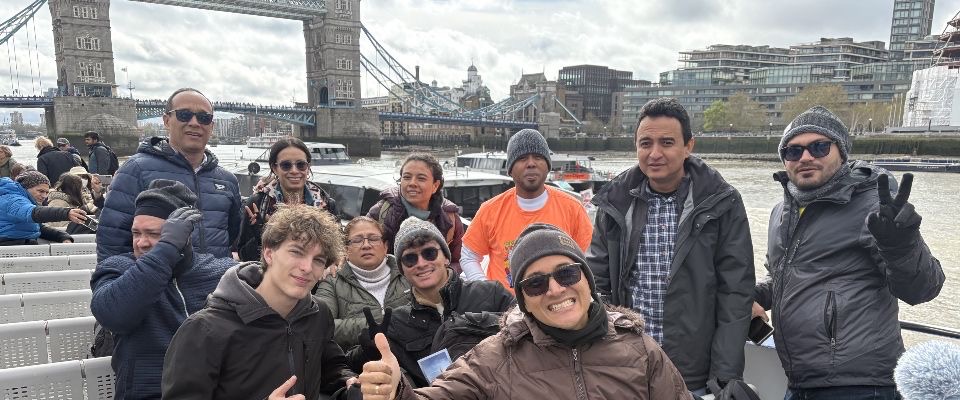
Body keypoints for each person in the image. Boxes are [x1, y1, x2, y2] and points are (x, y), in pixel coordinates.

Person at [358, 223, 692, 400]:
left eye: (567, 273)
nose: (555, 289)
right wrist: (395, 390)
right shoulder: (495, 356)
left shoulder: (640, 349)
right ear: (523, 299)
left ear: (587, 279)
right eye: (535, 284)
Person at [753, 106, 944, 399]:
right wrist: (751, 296)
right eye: (793, 151)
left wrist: (901, 243)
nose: (805, 157)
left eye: (819, 147)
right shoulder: (783, 211)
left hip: (860, 384)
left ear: (841, 152)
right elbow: (782, 278)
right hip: (799, 380)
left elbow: (922, 290)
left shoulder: (872, 205)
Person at [586, 98, 755, 394]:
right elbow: (597, 283)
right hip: (628, 364)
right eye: (645, 143)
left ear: (689, 145)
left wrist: (725, 374)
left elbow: (735, 292)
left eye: (666, 142)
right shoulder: (614, 202)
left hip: (693, 369)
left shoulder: (722, 202)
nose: (655, 154)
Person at [162, 205, 358, 399]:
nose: (307, 267)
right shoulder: (204, 329)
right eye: (297, 252)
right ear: (268, 253)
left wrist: (353, 384)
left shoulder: (318, 314)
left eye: (318, 260)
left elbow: (331, 367)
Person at [90, 180, 235, 399]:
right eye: (136, 233)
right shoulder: (117, 268)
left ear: (186, 235)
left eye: (155, 234)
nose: (141, 243)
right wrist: (167, 249)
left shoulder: (219, 271)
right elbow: (113, 315)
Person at [355, 217, 515, 388]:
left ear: (446, 257)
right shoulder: (396, 321)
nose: (421, 263)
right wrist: (369, 347)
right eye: (410, 259)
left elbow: (527, 330)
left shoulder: (492, 293)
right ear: (402, 271)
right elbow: (353, 366)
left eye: (429, 253)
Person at [97, 88, 241, 262]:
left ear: (212, 125)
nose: (195, 122)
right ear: (166, 121)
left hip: (216, 284)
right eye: (184, 115)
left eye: (204, 117)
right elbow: (112, 241)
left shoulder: (227, 180)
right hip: (160, 284)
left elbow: (232, 235)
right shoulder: (136, 170)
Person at [460, 128, 593, 289]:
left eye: (538, 157)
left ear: (547, 165)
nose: (531, 163)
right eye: (522, 158)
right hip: (504, 308)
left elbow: (588, 259)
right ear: (510, 169)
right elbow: (468, 256)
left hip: (556, 302)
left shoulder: (573, 209)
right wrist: (488, 290)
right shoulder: (490, 210)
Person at [236, 137, 336, 262]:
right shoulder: (258, 204)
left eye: (301, 165)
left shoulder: (326, 205)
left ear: (308, 167)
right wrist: (261, 236)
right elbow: (244, 256)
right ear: (274, 168)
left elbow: (335, 253)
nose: (294, 171)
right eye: (286, 165)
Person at [316, 216, 410, 349]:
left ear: (385, 246)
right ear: (346, 249)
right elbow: (320, 325)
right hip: (357, 364)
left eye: (373, 238)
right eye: (357, 240)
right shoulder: (332, 281)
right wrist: (377, 324)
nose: (366, 245)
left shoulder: (407, 271)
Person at [367, 153, 464, 272]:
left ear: (435, 185)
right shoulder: (381, 212)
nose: (412, 183)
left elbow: (458, 260)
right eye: (407, 177)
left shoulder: (449, 217)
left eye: (421, 178)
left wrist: (442, 277)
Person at [0, 170, 86, 245]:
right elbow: (34, 212)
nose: (44, 196)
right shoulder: (13, 200)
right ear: (26, 188)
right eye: (40, 191)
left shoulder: (24, 200)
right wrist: (66, 213)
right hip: (9, 246)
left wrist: (62, 236)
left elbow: (37, 228)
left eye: (46, 192)